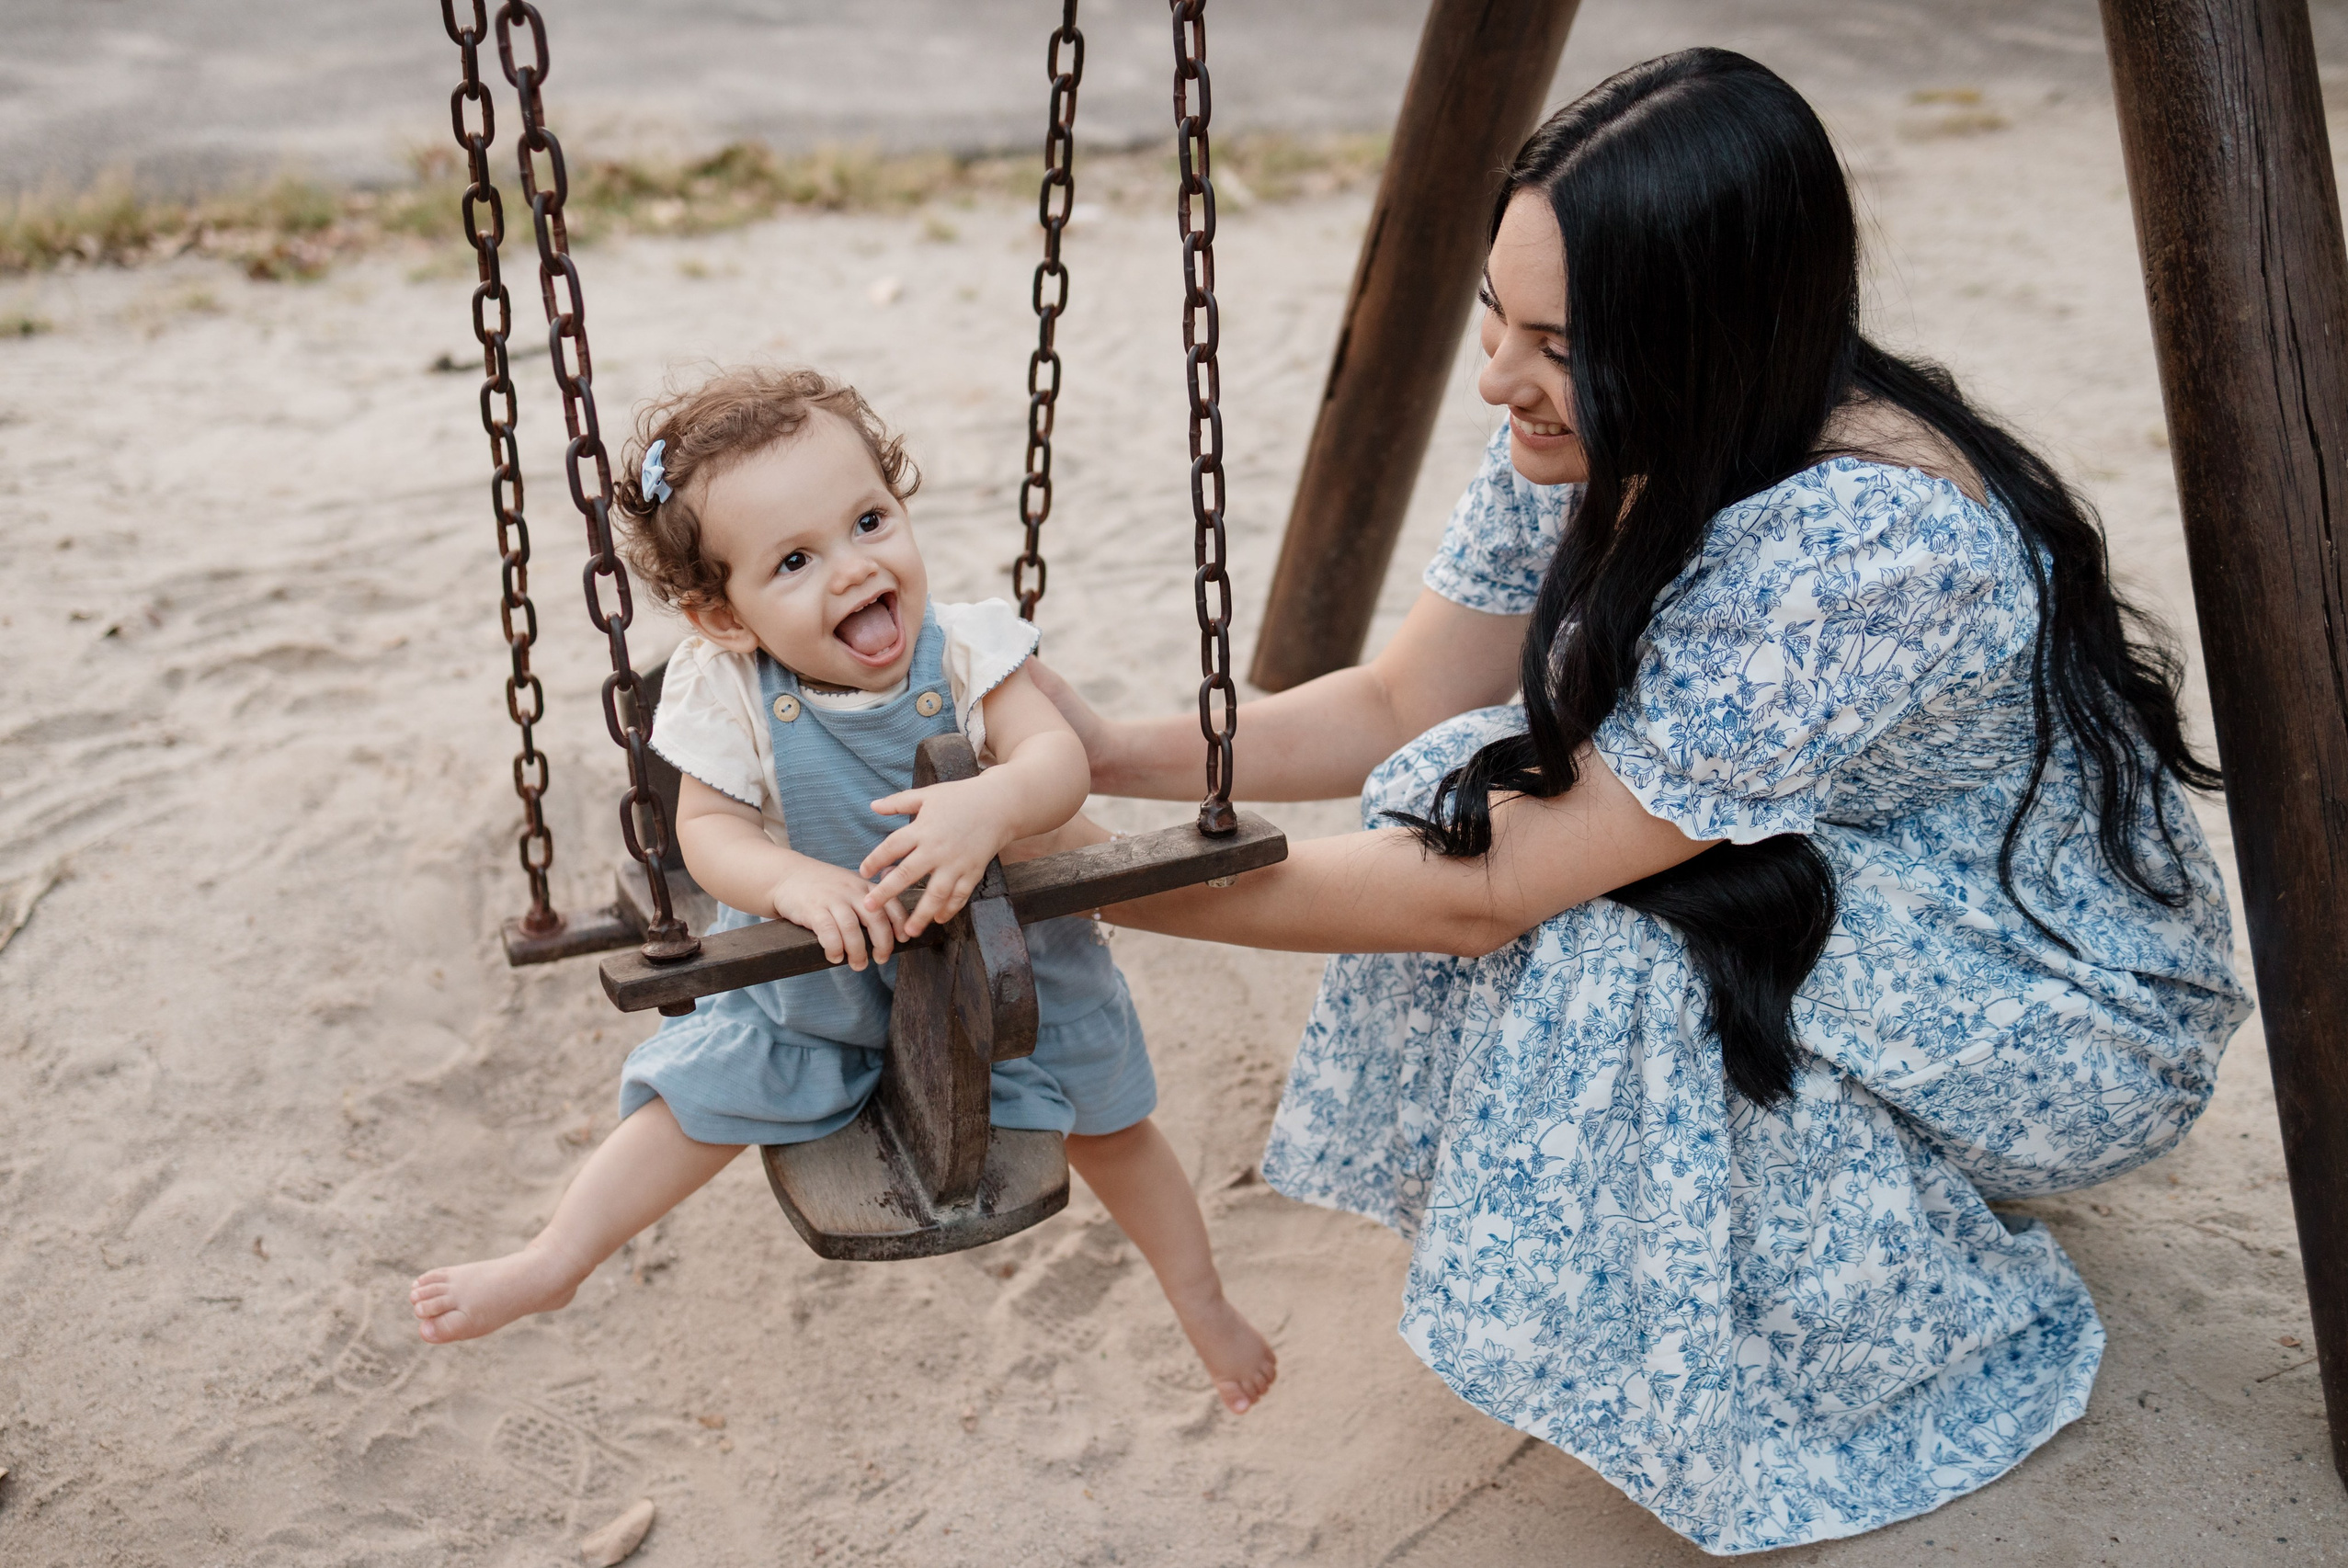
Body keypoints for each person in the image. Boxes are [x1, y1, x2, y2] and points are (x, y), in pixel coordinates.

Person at [1030, 50, 2249, 1554]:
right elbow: (1406, 700)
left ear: (1703, 328)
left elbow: (1484, 895)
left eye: (1549, 338)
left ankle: (1881, 1313)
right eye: (1494, 310)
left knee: (1604, 948)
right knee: (1454, 773)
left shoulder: (1872, 541)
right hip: (1861, 886)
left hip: (2055, 1010)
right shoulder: (1603, 414)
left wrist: (1085, 883)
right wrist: (1096, 758)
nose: (1494, 375)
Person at [409, 366, 1276, 1417]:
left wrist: (994, 805)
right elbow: (710, 835)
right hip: (821, 978)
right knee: (694, 1098)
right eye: (794, 559)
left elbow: (1060, 765)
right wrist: (791, 881)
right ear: (723, 616)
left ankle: (1201, 1299)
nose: (855, 568)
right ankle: (555, 1256)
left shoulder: (967, 648)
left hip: (1008, 972)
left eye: (870, 518)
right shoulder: (724, 685)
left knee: (1113, 1125)